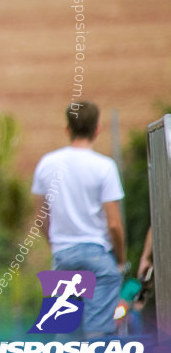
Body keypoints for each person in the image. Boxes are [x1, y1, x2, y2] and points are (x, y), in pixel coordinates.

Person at [31, 101, 126, 339]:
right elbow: (114, 224)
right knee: (98, 333)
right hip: (97, 255)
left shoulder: (47, 164)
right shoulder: (104, 167)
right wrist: (121, 260)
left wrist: (56, 246)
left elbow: (41, 219)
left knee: (63, 332)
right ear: (98, 129)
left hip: (64, 255)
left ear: (67, 129)